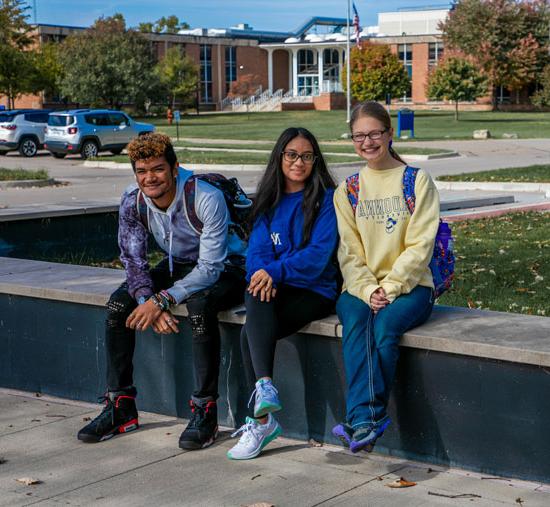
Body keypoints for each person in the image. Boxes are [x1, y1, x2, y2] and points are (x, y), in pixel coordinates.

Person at [77, 132, 245, 450]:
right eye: (141, 171)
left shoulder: (204, 196)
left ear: (174, 167)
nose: (149, 178)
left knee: (200, 307)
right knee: (118, 305)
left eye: (157, 169)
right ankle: (121, 405)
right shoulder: (133, 200)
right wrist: (146, 301)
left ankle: (205, 411)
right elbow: (134, 262)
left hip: (230, 267)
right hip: (178, 265)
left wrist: (163, 299)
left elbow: (210, 270)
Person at [332, 101, 440, 453]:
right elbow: (349, 252)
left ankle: (365, 418)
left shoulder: (416, 181)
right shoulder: (347, 189)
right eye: (359, 135)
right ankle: (367, 421)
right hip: (360, 288)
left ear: (389, 133)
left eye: (374, 133)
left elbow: (421, 244)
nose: (367, 142)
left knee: (384, 328)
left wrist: (390, 289)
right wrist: (368, 290)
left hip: (412, 287)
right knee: (356, 326)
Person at [227, 127, 339, 460]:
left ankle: (261, 420)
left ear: (315, 160)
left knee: (251, 330)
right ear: (280, 157)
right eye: (291, 154)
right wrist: (267, 273)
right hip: (278, 289)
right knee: (254, 297)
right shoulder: (268, 202)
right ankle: (264, 392)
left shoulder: (326, 199)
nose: (298, 162)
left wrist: (274, 271)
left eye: (306, 156)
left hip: (316, 291)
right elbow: (257, 255)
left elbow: (318, 256)